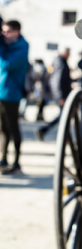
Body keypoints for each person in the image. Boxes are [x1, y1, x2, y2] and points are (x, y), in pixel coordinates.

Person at [0, 20, 29, 175]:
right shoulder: (8, 46)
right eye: (3, 31)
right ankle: (3, 159)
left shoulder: (22, 47)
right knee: (3, 129)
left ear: (16, 32)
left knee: (13, 128)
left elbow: (5, 65)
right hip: (1, 93)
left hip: (11, 94)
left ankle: (16, 162)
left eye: (7, 31)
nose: (4, 34)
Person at [36, 48, 71, 141]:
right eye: (68, 52)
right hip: (61, 95)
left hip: (62, 94)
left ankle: (45, 130)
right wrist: (61, 96)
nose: (70, 55)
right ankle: (44, 130)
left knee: (64, 116)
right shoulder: (60, 63)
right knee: (64, 116)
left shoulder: (60, 61)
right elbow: (58, 80)